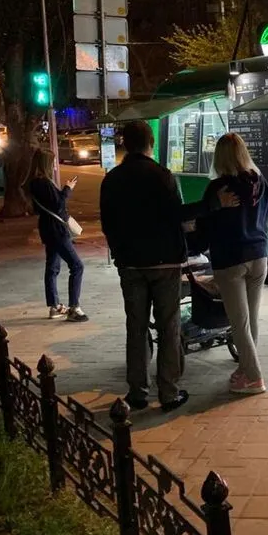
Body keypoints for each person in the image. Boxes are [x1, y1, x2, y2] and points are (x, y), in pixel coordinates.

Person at [100, 120, 236, 412]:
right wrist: (214, 204)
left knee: (136, 327)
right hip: (165, 262)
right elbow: (177, 214)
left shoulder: (111, 179)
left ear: (125, 144)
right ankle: (169, 392)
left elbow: (107, 224)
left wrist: (121, 253)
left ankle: (137, 392)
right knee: (168, 326)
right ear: (150, 143)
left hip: (130, 265)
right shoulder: (163, 176)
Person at [197, 133, 268, 395]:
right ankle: (244, 368)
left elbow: (206, 227)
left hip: (230, 260)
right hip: (259, 255)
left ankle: (254, 377)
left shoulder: (218, 188)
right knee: (251, 317)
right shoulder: (260, 182)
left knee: (239, 322)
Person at [27, 148, 87, 322]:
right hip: (56, 230)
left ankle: (54, 306)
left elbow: (42, 206)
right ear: (46, 163)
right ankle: (74, 307)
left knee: (52, 267)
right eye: (52, 161)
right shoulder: (44, 182)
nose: (54, 164)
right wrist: (68, 189)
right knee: (77, 266)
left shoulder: (33, 183)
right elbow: (58, 205)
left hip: (47, 228)